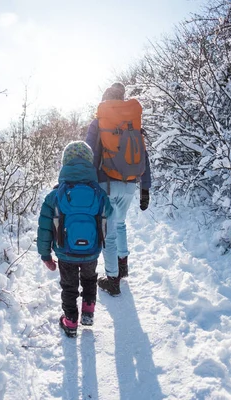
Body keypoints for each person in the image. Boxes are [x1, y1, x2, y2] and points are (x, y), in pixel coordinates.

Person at [37, 141, 113, 338]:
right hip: (91, 251)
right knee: (89, 279)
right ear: (90, 164)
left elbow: (45, 227)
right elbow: (109, 214)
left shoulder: (55, 195)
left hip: (65, 252)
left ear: (65, 164)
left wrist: (45, 254)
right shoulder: (99, 194)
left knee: (69, 286)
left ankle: (70, 321)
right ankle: (88, 312)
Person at [85, 82, 152, 296]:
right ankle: (123, 267)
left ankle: (112, 279)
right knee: (121, 224)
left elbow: (90, 154)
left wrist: (88, 182)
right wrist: (145, 188)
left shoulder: (100, 121)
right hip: (131, 184)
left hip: (106, 183)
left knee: (108, 234)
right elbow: (143, 155)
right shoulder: (131, 123)